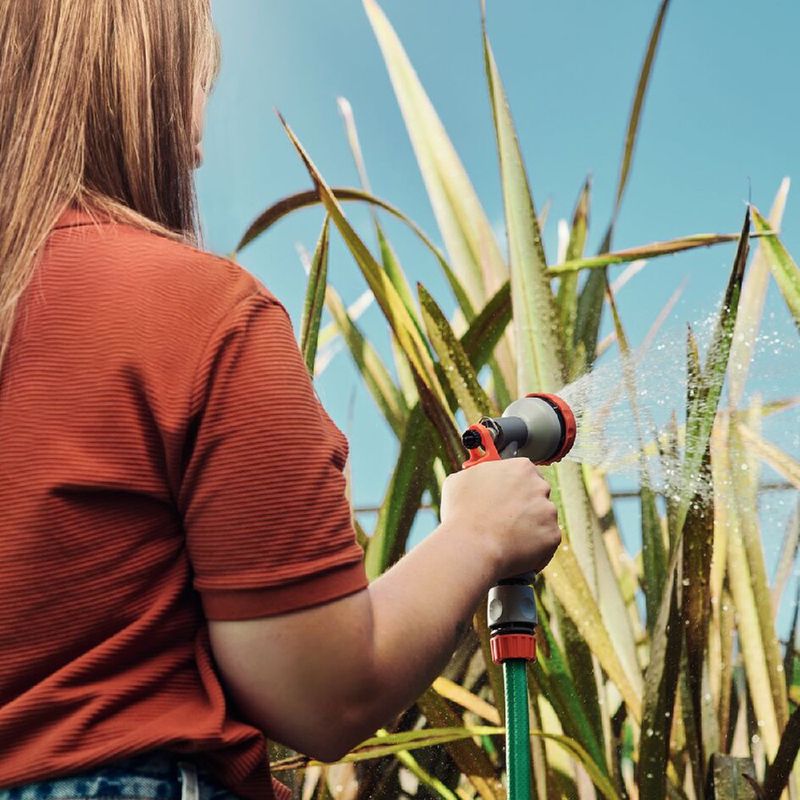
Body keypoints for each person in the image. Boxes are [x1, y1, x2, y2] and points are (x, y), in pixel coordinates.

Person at [0, 2, 562, 800]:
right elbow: (324, 692)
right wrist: (479, 536)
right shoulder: (195, 311)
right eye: (196, 87)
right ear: (140, 87)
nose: (197, 143)